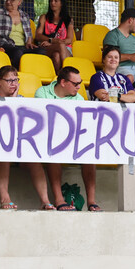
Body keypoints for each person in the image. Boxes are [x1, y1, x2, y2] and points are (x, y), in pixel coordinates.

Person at [0, 65, 55, 211]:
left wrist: (15, 99)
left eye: (16, 80)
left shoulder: (21, 99)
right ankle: (5, 199)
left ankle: (45, 201)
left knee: (36, 159)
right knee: (4, 153)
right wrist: (13, 100)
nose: (14, 84)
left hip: (19, 143)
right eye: (9, 80)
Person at [35, 66, 100, 212]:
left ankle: (91, 201)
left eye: (80, 83)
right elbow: (44, 120)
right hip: (48, 138)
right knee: (54, 149)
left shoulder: (79, 98)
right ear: (63, 82)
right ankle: (59, 199)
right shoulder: (42, 92)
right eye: (76, 84)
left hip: (72, 138)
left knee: (90, 153)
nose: (79, 87)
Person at [34, 0, 74, 73]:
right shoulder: (44, 17)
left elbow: (70, 39)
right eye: (51, 1)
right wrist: (51, 41)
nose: (53, 3)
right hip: (47, 47)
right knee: (60, 45)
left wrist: (54, 42)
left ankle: (58, 77)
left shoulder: (68, 20)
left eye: (56, 1)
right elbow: (38, 35)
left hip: (66, 49)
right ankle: (67, 74)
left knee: (56, 55)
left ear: (61, 3)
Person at [101, 8, 135, 80]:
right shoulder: (112, 35)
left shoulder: (134, 39)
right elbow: (107, 57)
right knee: (129, 77)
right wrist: (129, 57)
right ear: (130, 20)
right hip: (120, 68)